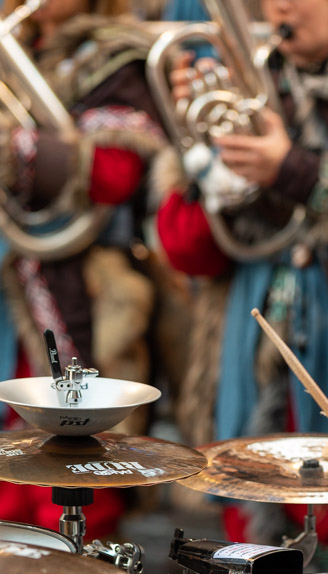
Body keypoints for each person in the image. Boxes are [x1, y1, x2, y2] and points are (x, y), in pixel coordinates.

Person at [154, 0, 328, 571]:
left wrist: (295, 171)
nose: (280, 5)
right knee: (251, 501)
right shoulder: (241, 88)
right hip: (250, 334)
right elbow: (187, 248)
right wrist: (210, 173)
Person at [0, 0, 167, 537]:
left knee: (69, 472)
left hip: (78, 289)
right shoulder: (20, 46)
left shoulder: (115, 57)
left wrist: (11, 150)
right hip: (9, 287)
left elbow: (113, 173)